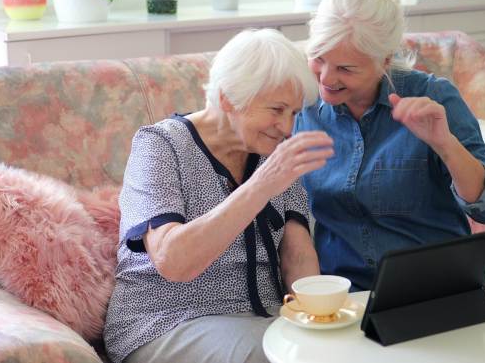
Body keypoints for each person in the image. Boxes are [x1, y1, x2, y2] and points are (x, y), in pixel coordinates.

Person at [104, 29, 334, 363]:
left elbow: (297, 255)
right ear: (227, 98)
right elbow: (173, 261)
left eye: (295, 113)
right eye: (276, 109)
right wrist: (261, 185)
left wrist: (318, 319)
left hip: (263, 320)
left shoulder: (272, 151)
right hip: (166, 322)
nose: (287, 127)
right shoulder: (160, 146)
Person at [294, 0, 485, 291]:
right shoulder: (301, 107)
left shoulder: (434, 98)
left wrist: (445, 145)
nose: (326, 78)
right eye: (318, 57)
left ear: (384, 60)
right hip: (341, 294)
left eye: (345, 68)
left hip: (432, 289)